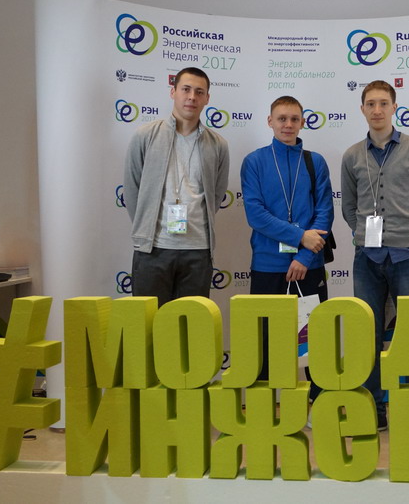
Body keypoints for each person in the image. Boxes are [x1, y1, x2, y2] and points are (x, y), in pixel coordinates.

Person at [340, 80, 409, 430]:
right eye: (371, 103)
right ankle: (375, 407)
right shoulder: (352, 156)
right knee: (366, 333)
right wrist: (365, 238)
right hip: (366, 259)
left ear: (394, 108)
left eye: (384, 103)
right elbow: (349, 208)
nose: (377, 109)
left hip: (407, 258)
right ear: (362, 109)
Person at [240, 96, 333, 382]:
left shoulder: (315, 162)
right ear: (270, 121)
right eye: (282, 118)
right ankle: (266, 404)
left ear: (302, 122)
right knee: (265, 343)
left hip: (308, 265)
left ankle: (319, 401)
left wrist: (304, 256)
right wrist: (300, 236)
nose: (288, 124)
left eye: (294, 119)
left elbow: (324, 212)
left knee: (314, 342)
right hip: (268, 266)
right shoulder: (254, 161)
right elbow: (256, 214)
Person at [123, 67, 229, 305]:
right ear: (173, 92)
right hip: (153, 249)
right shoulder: (145, 135)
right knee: (149, 322)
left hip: (198, 250)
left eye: (199, 92)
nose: (192, 97)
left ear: (207, 98)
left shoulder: (218, 145)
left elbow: (216, 195)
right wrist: (145, 226)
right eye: (186, 89)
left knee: (190, 323)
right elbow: (132, 189)